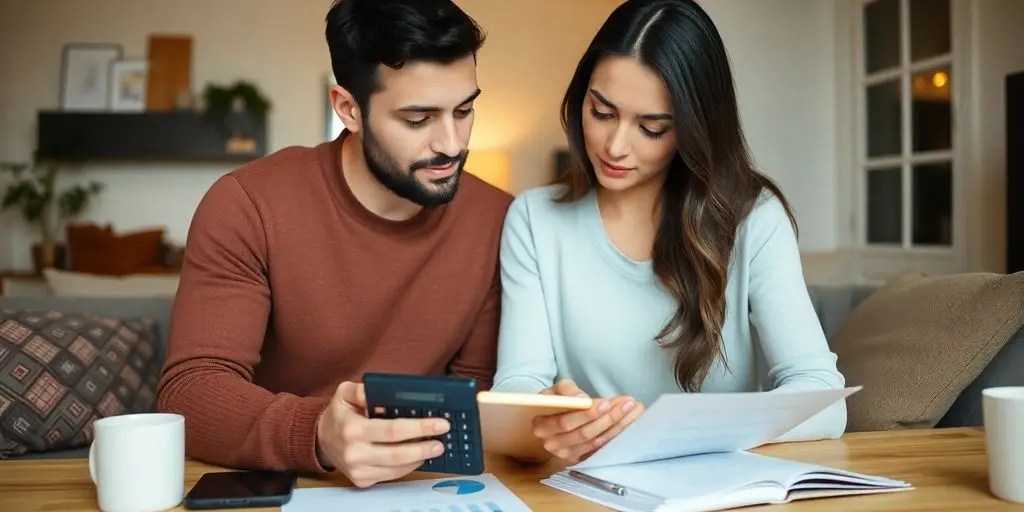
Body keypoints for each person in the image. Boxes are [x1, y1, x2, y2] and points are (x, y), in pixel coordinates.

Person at [157, 0, 512, 488]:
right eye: (417, 119)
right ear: (349, 109)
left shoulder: (498, 220)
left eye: (465, 110)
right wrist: (319, 432)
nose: (451, 144)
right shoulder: (246, 204)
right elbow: (191, 393)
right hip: (284, 485)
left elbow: (479, 395)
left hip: (424, 489)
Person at [491, 0, 847, 464]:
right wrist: (552, 422)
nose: (616, 146)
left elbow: (823, 400)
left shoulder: (753, 219)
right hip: (588, 486)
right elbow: (517, 388)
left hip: (718, 490)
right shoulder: (534, 220)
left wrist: (668, 430)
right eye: (601, 113)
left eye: (652, 128)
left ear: (695, 128)